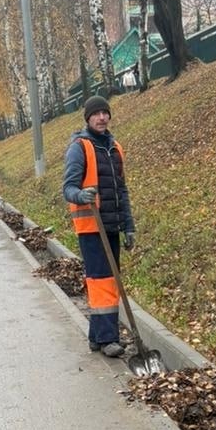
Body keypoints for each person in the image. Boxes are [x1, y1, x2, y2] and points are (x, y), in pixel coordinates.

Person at [63, 95, 136, 357]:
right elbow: (68, 187)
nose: (102, 117)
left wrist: (129, 225)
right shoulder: (79, 147)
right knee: (102, 281)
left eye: (105, 113)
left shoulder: (115, 148)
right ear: (88, 118)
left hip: (113, 225)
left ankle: (97, 336)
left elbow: (122, 190)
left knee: (105, 280)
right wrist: (81, 195)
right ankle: (107, 339)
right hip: (91, 226)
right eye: (97, 114)